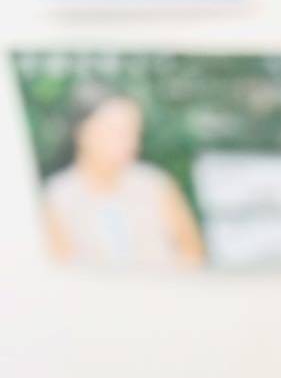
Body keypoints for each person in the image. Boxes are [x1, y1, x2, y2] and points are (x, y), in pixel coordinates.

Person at [42, 85, 205, 269]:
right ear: (81, 131)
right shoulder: (58, 197)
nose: (130, 142)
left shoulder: (156, 185)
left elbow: (194, 254)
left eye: (134, 132)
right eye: (115, 131)